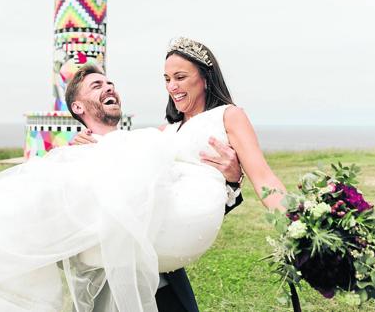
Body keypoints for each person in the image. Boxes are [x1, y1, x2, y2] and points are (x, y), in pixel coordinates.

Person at [69, 36, 286, 311]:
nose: (172, 87)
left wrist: (296, 225)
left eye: (180, 77)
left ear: (205, 78)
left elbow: (264, 179)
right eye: (167, 79)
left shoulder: (228, 116)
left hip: (166, 262)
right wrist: (88, 146)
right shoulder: (165, 131)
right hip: (131, 256)